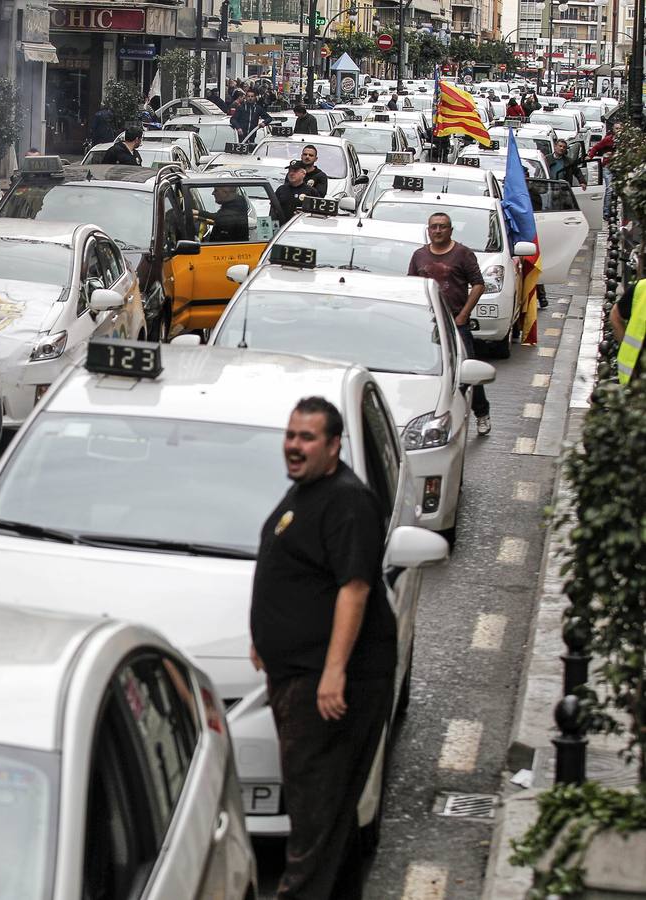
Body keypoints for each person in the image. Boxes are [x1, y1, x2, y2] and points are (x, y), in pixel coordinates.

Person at [251, 396, 397, 900]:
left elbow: (354, 588)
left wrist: (334, 672)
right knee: (330, 816)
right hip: (298, 674)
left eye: (307, 438)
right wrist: (263, 639)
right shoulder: (308, 491)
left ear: (334, 446)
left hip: (326, 686)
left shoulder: (348, 502)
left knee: (314, 818)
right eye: (291, 435)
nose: (294, 446)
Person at [408, 211, 490, 435]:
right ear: (428, 230)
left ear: (450, 230)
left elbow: (479, 285)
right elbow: (412, 287)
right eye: (433, 226)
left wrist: (462, 315)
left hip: (456, 324)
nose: (438, 230)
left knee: (468, 370)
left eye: (442, 226)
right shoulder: (419, 256)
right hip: (427, 325)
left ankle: (481, 412)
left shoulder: (463, 254)